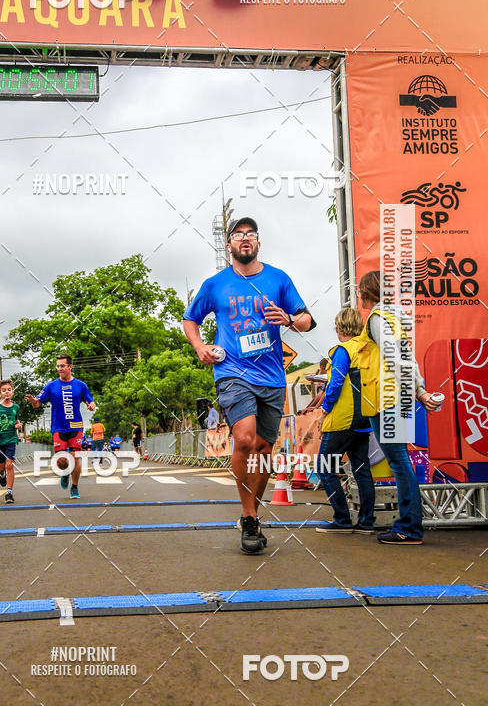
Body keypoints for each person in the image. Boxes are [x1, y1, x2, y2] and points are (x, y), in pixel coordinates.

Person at [183, 215, 315, 554]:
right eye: (238, 235)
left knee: (263, 450)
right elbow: (190, 319)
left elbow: (307, 320)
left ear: (257, 243)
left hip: (271, 376)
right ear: (228, 245)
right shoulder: (215, 284)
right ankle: (247, 512)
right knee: (244, 437)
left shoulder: (278, 279)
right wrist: (200, 348)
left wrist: (288, 319)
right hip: (231, 372)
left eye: (251, 234)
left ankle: (252, 515)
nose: (245, 239)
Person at [358, 270, 440, 545]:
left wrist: (418, 391)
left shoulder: (377, 319)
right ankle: (409, 525)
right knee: (400, 460)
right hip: (396, 397)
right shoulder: (394, 318)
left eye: (360, 292)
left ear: (366, 293)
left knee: (399, 462)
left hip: (386, 398)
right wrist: (418, 390)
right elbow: (408, 358)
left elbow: (395, 358)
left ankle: (409, 527)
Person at [314, 309, 376, 534]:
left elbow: (336, 384)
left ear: (340, 328)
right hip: (365, 420)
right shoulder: (368, 349)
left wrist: (324, 411)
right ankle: (366, 522)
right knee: (362, 470)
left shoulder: (343, 350)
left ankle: (341, 519)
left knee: (324, 467)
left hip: (342, 419)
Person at [26, 354, 95, 499]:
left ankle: (74, 487)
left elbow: (90, 401)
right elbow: (38, 404)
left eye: (62, 366)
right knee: (62, 461)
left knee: (74, 457)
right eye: (58, 366)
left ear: (70, 367)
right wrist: (33, 401)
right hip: (58, 427)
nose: (59, 369)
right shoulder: (51, 386)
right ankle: (65, 473)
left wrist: (91, 405)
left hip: (76, 426)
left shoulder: (81, 385)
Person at [0, 379, 22, 504]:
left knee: (9, 464)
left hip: (11, 439)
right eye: (4, 390)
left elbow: (17, 420)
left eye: (9, 390)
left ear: (12, 392)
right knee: (1, 467)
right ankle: (1, 475)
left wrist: (19, 425)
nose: (7, 392)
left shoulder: (16, 407)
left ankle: (9, 492)